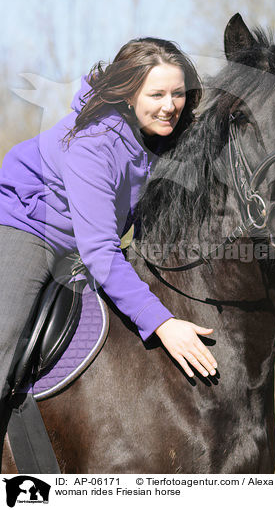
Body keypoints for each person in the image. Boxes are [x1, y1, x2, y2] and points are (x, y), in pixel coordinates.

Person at [0, 38, 218, 420]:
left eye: (178, 93)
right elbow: (100, 251)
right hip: (28, 227)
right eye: (157, 94)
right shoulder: (93, 143)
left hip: (84, 243)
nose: (170, 106)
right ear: (130, 95)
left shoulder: (163, 130)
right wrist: (163, 323)